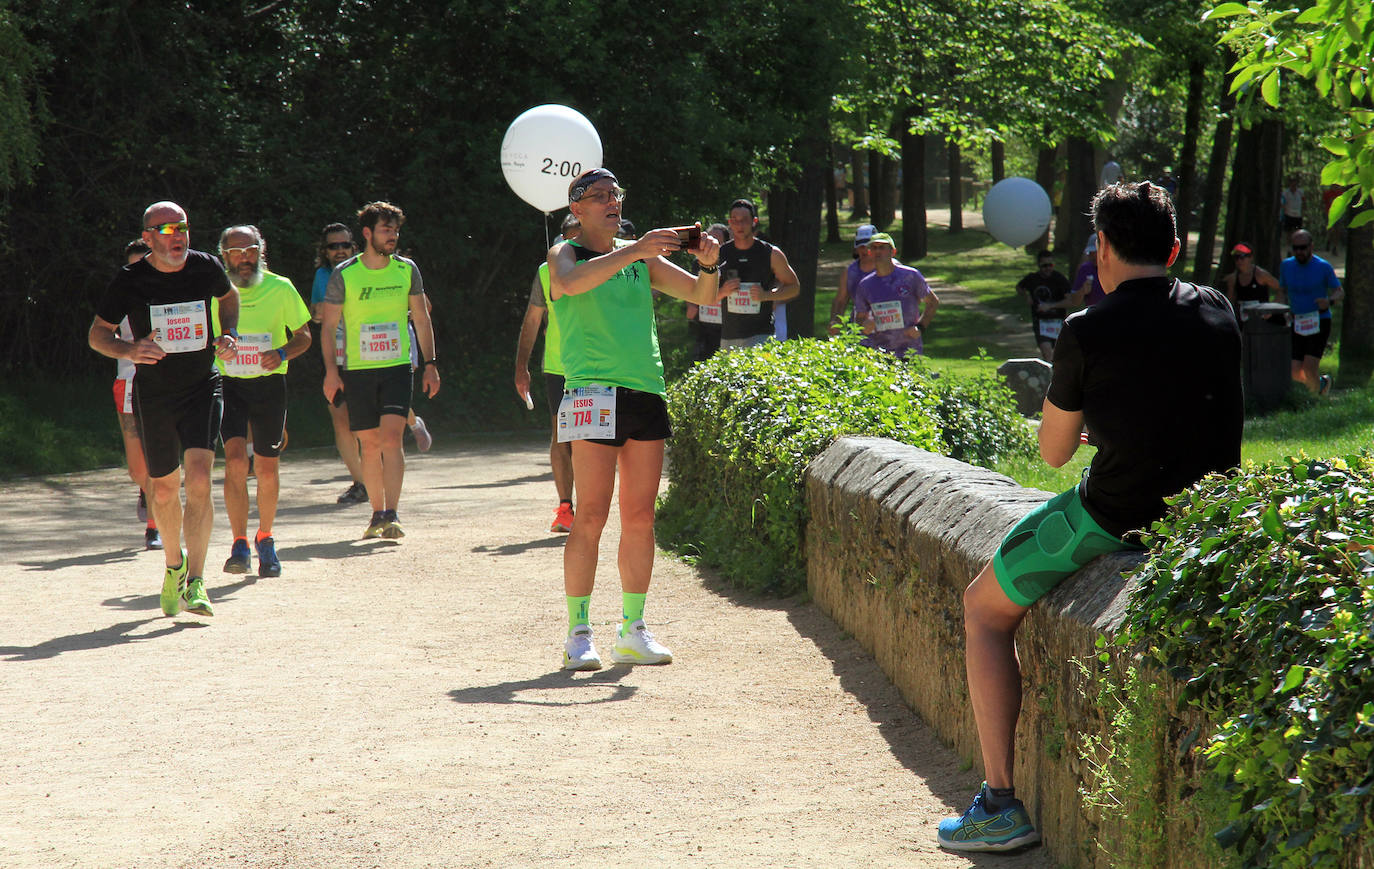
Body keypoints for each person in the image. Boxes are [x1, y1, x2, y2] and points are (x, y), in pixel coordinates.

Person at [938, 182, 1242, 852]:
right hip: (1211, 519)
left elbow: (1051, 454)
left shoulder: (1084, 330)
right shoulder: (1218, 307)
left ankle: (998, 802)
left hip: (1114, 518)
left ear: (1101, 248)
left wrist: (1089, 431)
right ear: (1175, 247)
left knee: (982, 609)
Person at [548, 168, 721, 670]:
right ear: (576, 210)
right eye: (599, 196)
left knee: (641, 517)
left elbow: (703, 296)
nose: (611, 202)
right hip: (592, 392)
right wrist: (637, 248)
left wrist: (709, 264)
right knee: (592, 515)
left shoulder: (641, 257)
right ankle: (578, 632)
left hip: (645, 389)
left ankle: (633, 628)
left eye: (615, 194)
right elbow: (570, 283)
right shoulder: (568, 253)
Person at [88, 201, 241, 617]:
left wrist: (229, 333)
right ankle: (173, 565)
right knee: (163, 488)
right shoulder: (131, 280)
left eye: (183, 227)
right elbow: (98, 335)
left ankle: (196, 581)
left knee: (199, 479)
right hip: (154, 393)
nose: (177, 235)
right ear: (149, 237)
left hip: (201, 385)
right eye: (167, 229)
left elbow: (229, 298)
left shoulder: (207, 266)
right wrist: (131, 349)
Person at [319, 201, 439, 539]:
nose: (393, 236)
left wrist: (431, 364)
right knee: (369, 445)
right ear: (368, 233)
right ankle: (376, 513)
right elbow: (327, 328)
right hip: (357, 370)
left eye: (396, 230)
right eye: (387, 229)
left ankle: (392, 512)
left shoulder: (406, 270)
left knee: (391, 438)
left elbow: (422, 318)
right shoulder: (345, 274)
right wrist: (331, 372)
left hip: (398, 366)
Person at [214, 225, 312, 578]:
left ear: (261, 250)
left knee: (267, 467)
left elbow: (303, 336)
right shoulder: (216, 291)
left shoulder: (281, 287)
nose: (243, 257)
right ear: (224, 255)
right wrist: (217, 345)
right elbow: (202, 337)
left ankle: (265, 537)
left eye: (250, 249)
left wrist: (282, 352)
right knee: (236, 462)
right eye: (235, 251)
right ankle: (239, 542)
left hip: (270, 384)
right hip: (229, 383)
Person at [515, 213, 582, 534]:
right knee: (562, 438)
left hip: (600, 367)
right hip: (558, 367)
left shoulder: (610, 265)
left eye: (579, 234)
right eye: (568, 235)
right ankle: (566, 507)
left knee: (592, 441)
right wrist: (521, 367)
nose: (573, 240)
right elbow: (531, 320)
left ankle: (593, 507)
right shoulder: (547, 271)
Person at [113, 239, 162, 551]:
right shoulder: (117, 294)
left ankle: (154, 526)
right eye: (133, 266)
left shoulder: (172, 293)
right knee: (137, 470)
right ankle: (146, 489)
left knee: (160, 458)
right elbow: (103, 333)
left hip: (165, 383)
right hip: (128, 381)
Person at [716, 198, 801, 351]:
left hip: (761, 334)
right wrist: (723, 292)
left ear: (754, 221)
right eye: (735, 220)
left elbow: (794, 287)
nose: (740, 225)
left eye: (744, 220)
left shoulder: (771, 253)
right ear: (729, 222)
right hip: (729, 336)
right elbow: (704, 295)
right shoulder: (721, 253)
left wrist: (766, 295)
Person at [1277, 229, 1342, 395]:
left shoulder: (1323, 266)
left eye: (1303, 247)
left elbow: (1339, 291)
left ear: (1311, 246)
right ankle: (1322, 384)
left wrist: (1329, 301)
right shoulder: (1286, 266)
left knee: (1309, 367)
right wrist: (1281, 309)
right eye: (1296, 247)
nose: (1299, 251)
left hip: (1319, 321)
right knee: (1294, 370)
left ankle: (1314, 403)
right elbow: (1282, 291)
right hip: (1297, 321)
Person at [852, 233, 938, 358]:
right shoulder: (865, 285)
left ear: (893, 252)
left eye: (882, 247)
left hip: (909, 350)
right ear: (870, 253)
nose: (878, 251)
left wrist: (920, 327)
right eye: (874, 248)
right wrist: (864, 325)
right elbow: (859, 317)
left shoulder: (910, 276)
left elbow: (933, 302)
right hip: (879, 353)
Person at [1015, 249, 1076, 362]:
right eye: (1044, 265)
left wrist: (1050, 306)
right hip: (1040, 322)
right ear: (1039, 265)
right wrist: (1026, 296)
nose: (1048, 268)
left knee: (1060, 356)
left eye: (1050, 265)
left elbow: (1070, 302)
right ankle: (1050, 378)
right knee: (1047, 353)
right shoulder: (1032, 278)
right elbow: (1019, 287)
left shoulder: (1059, 279)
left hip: (1058, 321)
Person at [685, 223, 728, 361]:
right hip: (703, 326)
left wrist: (721, 292)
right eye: (710, 238)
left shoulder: (730, 263)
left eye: (717, 240)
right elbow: (690, 288)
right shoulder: (696, 263)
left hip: (726, 327)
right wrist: (690, 304)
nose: (712, 243)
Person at [829, 223, 877, 333]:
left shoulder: (891, 268)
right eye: (861, 246)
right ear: (856, 249)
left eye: (868, 246)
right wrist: (835, 321)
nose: (865, 250)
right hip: (858, 327)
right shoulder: (850, 272)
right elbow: (840, 300)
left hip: (887, 327)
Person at [1220, 242, 1279, 313]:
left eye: (1242, 257)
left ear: (1251, 257)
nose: (1239, 260)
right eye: (1236, 257)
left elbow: (1281, 289)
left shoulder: (1261, 275)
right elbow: (1229, 301)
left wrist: (1271, 309)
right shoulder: (1233, 278)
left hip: (1260, 317)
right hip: (1242, 316)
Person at [1069, 234, 1105, 307]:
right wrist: (1082, 291)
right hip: (1094, 314)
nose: (1090, 256)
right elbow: (1074, 302)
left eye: (1094, 252)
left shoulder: (1118, 269)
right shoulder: (1085, 269)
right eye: (1089, 252)